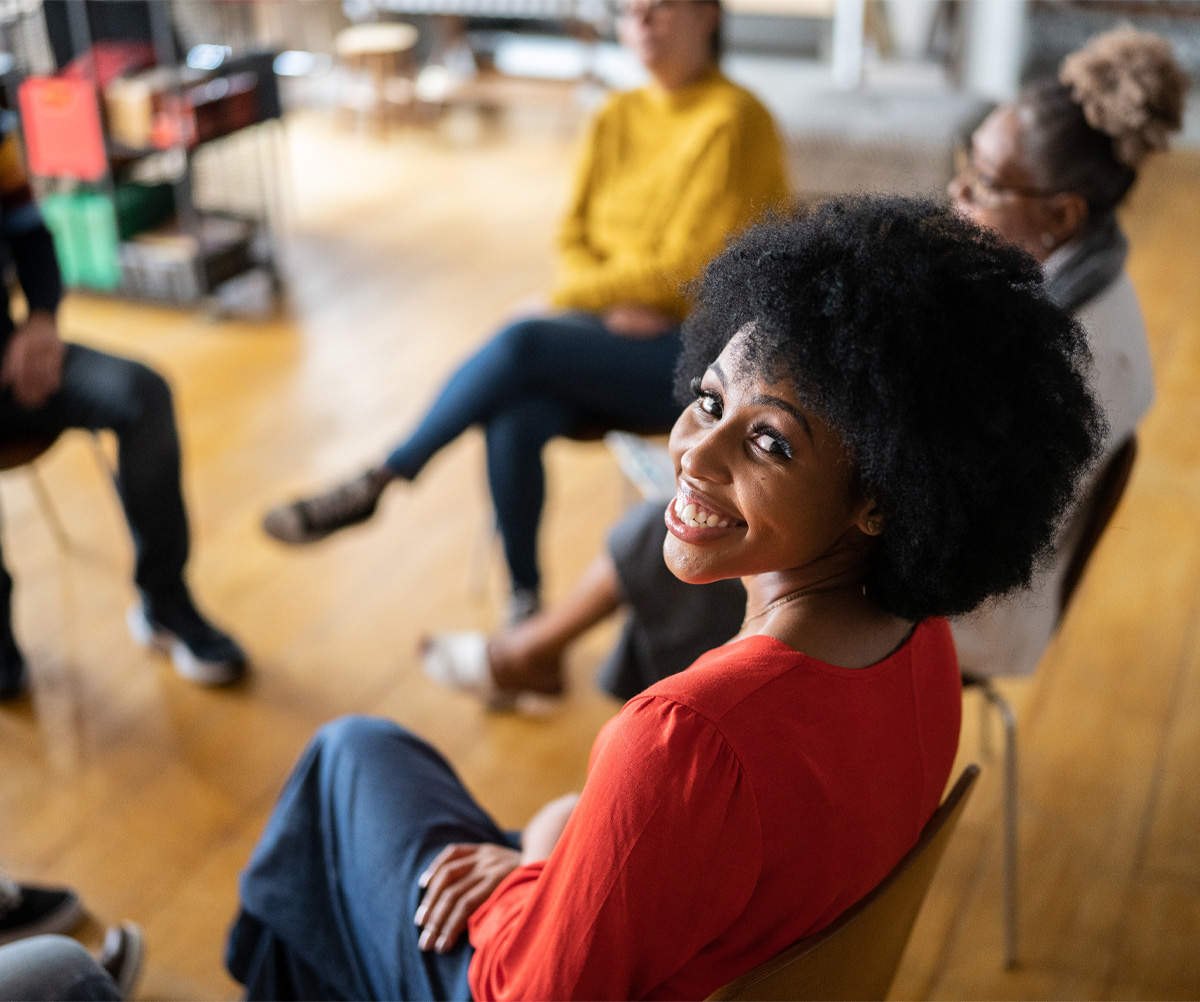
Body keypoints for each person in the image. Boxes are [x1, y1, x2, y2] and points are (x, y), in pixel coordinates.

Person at [225, 196, 1102, 1001]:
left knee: (349, 755)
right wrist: (568, 851)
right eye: (709, 399)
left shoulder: (690, 738)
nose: (694, 452)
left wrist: (536, 853)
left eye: (768, 443)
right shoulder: (923, 645)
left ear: (882, 498)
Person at [423, 24, 1186, 703]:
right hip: (908, 524)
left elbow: (967, 517)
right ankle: (557, 664)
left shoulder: (1086, 355)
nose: (956, 192)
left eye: (985, 182)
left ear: (1061, 216)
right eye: (965, 162)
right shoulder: (1060, 288)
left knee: (687, 532)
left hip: (961, 590)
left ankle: (578, 678)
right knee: (683, 506)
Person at [261, 0, 789, 621]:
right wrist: (608, 300)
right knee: (514, 409)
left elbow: (690, 271)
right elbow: (570, 239)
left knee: (523, 343)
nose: (641, 25)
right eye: (629, 11)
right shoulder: (615, 114)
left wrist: (582, 298)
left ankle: (381, 479)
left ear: (706, 15)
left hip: (699, 365)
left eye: (660, 9)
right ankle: (525, 606)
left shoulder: (736, 119)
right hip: (605, 336)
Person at [0, 130, 245, 699]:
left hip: (12, 359)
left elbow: (31, 237)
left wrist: (40, 321)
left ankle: (166, 601)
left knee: (144, 395)